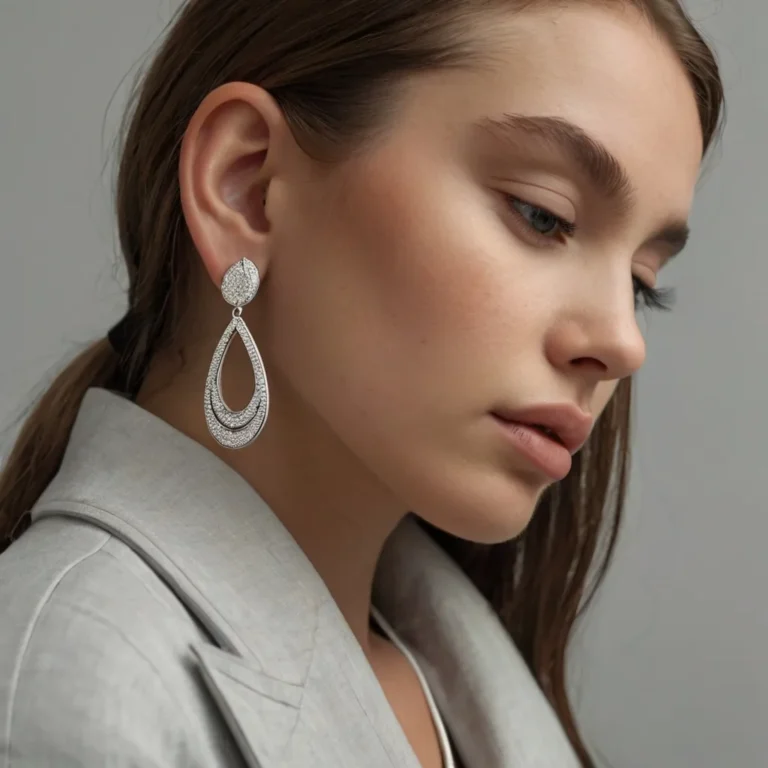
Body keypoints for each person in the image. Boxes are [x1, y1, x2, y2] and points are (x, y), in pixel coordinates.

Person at [0, 1, 723, 766]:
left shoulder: (448, 673)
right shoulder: (73, 694)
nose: (622, 341)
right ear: (248, 185)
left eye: (642, 281)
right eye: (542, 216)